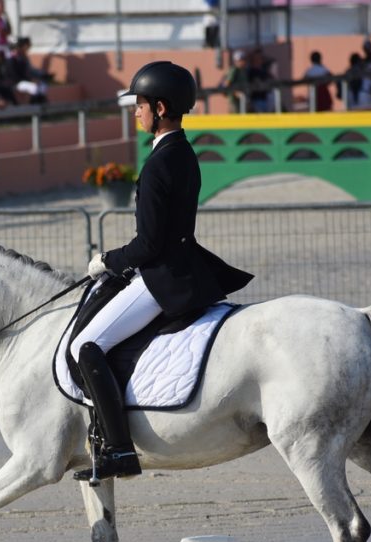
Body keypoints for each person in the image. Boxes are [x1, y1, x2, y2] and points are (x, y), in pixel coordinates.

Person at [69, 61, 253, 482]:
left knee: (88, 345)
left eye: (141, 104)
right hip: (183, 263)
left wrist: (107, 261)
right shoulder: (183, 151)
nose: (135, 111)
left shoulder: (157, 165)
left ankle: (118, 450)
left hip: (160, 276)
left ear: (161, 107)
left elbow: (149, 245)